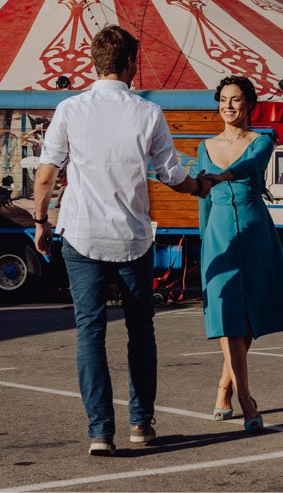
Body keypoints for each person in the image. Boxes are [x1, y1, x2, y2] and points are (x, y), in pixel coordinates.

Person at [33, 25, 211, 457]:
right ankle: (140, 422)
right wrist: (200, 187)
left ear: (94, 62)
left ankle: (100, 432)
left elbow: (46, 174)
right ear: (131, 62)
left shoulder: (70, 109)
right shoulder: (147, 114)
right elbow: (171, 174)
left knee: (90, 332)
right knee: (140, 331)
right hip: (133, 237)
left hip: (81, 233)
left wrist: (40, 221)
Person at [197, 75, 283, 432]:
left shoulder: (262, 141)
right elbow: (204, 200)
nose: (228, 106)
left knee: (252, 313)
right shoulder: (204, 146)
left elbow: (249, 167)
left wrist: (222, 175)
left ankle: (224, 388)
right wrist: (204, 240)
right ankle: (246, 399)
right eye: (223, 100)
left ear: (249, 104)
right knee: (227, 313)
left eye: (236, 100)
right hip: (219, 234)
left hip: (255, 228)